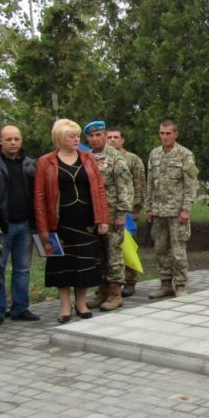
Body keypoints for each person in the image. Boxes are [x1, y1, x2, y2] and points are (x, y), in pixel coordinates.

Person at [34, 118, 109, 323]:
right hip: (60, 221)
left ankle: (81, 303)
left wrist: (102, 218)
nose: (77, 139)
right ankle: (65, 305)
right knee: (63, 264)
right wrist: (42, 229)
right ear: (60, 137)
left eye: (77, 136)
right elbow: (40, 196)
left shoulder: (87, 158)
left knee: (84, 263)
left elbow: (99, 189)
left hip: (85, 219)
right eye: (72, 136)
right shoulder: (46, 162)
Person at [0, 125, 40, 327]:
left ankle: (20, 307)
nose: (13, 142)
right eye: (9, 139)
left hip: (25, 224)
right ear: (0, 141)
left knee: (23, 269)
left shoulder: (30, 164)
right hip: (1, 227)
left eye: (16, 139)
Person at [144, 119, 197, 298]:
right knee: (160, 249)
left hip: (176, 212)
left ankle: (180, 284)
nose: (164, 137)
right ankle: (165, 283)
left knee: (178, 250)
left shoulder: (185, 155)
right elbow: (150, 182)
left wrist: (186, 209)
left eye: (168, 133)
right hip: (158, 211)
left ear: (176, 134)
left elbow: (190, 184)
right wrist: (148, 207)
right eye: (161, 133)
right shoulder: (154, 154)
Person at [83, 121, 133, 311]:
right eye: (91, 136)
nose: (95, 139)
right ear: (87, 138)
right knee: (97, 254)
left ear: (104, 136)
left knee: (113, 254)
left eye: (98, 135)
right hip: (92, 216)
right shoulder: (85, 156)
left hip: (112, 215)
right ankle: (101, 291)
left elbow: (125, 187)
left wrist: (121, 214)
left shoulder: (115, 158)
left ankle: (115, 293)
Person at [107, 125, 147, 297]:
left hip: (127, 213)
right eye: (109, 137)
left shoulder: (132, 159)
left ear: (122, 140)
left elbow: (140, 185)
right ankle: (110, 283)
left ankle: (130, 281)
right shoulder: (101, 158)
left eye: (116, 137)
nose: (113, 140)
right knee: (110, 249)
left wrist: (136, 208)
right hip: (108, 212)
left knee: (128, 246)